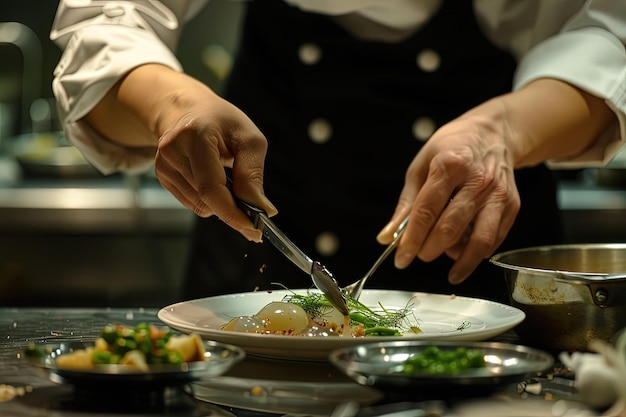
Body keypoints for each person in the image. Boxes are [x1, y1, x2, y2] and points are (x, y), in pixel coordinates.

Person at [49, 1, 625, 304]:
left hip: (483, 231)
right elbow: (99, 22)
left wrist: (503, 130)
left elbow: (614, 31)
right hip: (270, 211)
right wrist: (174, 106)